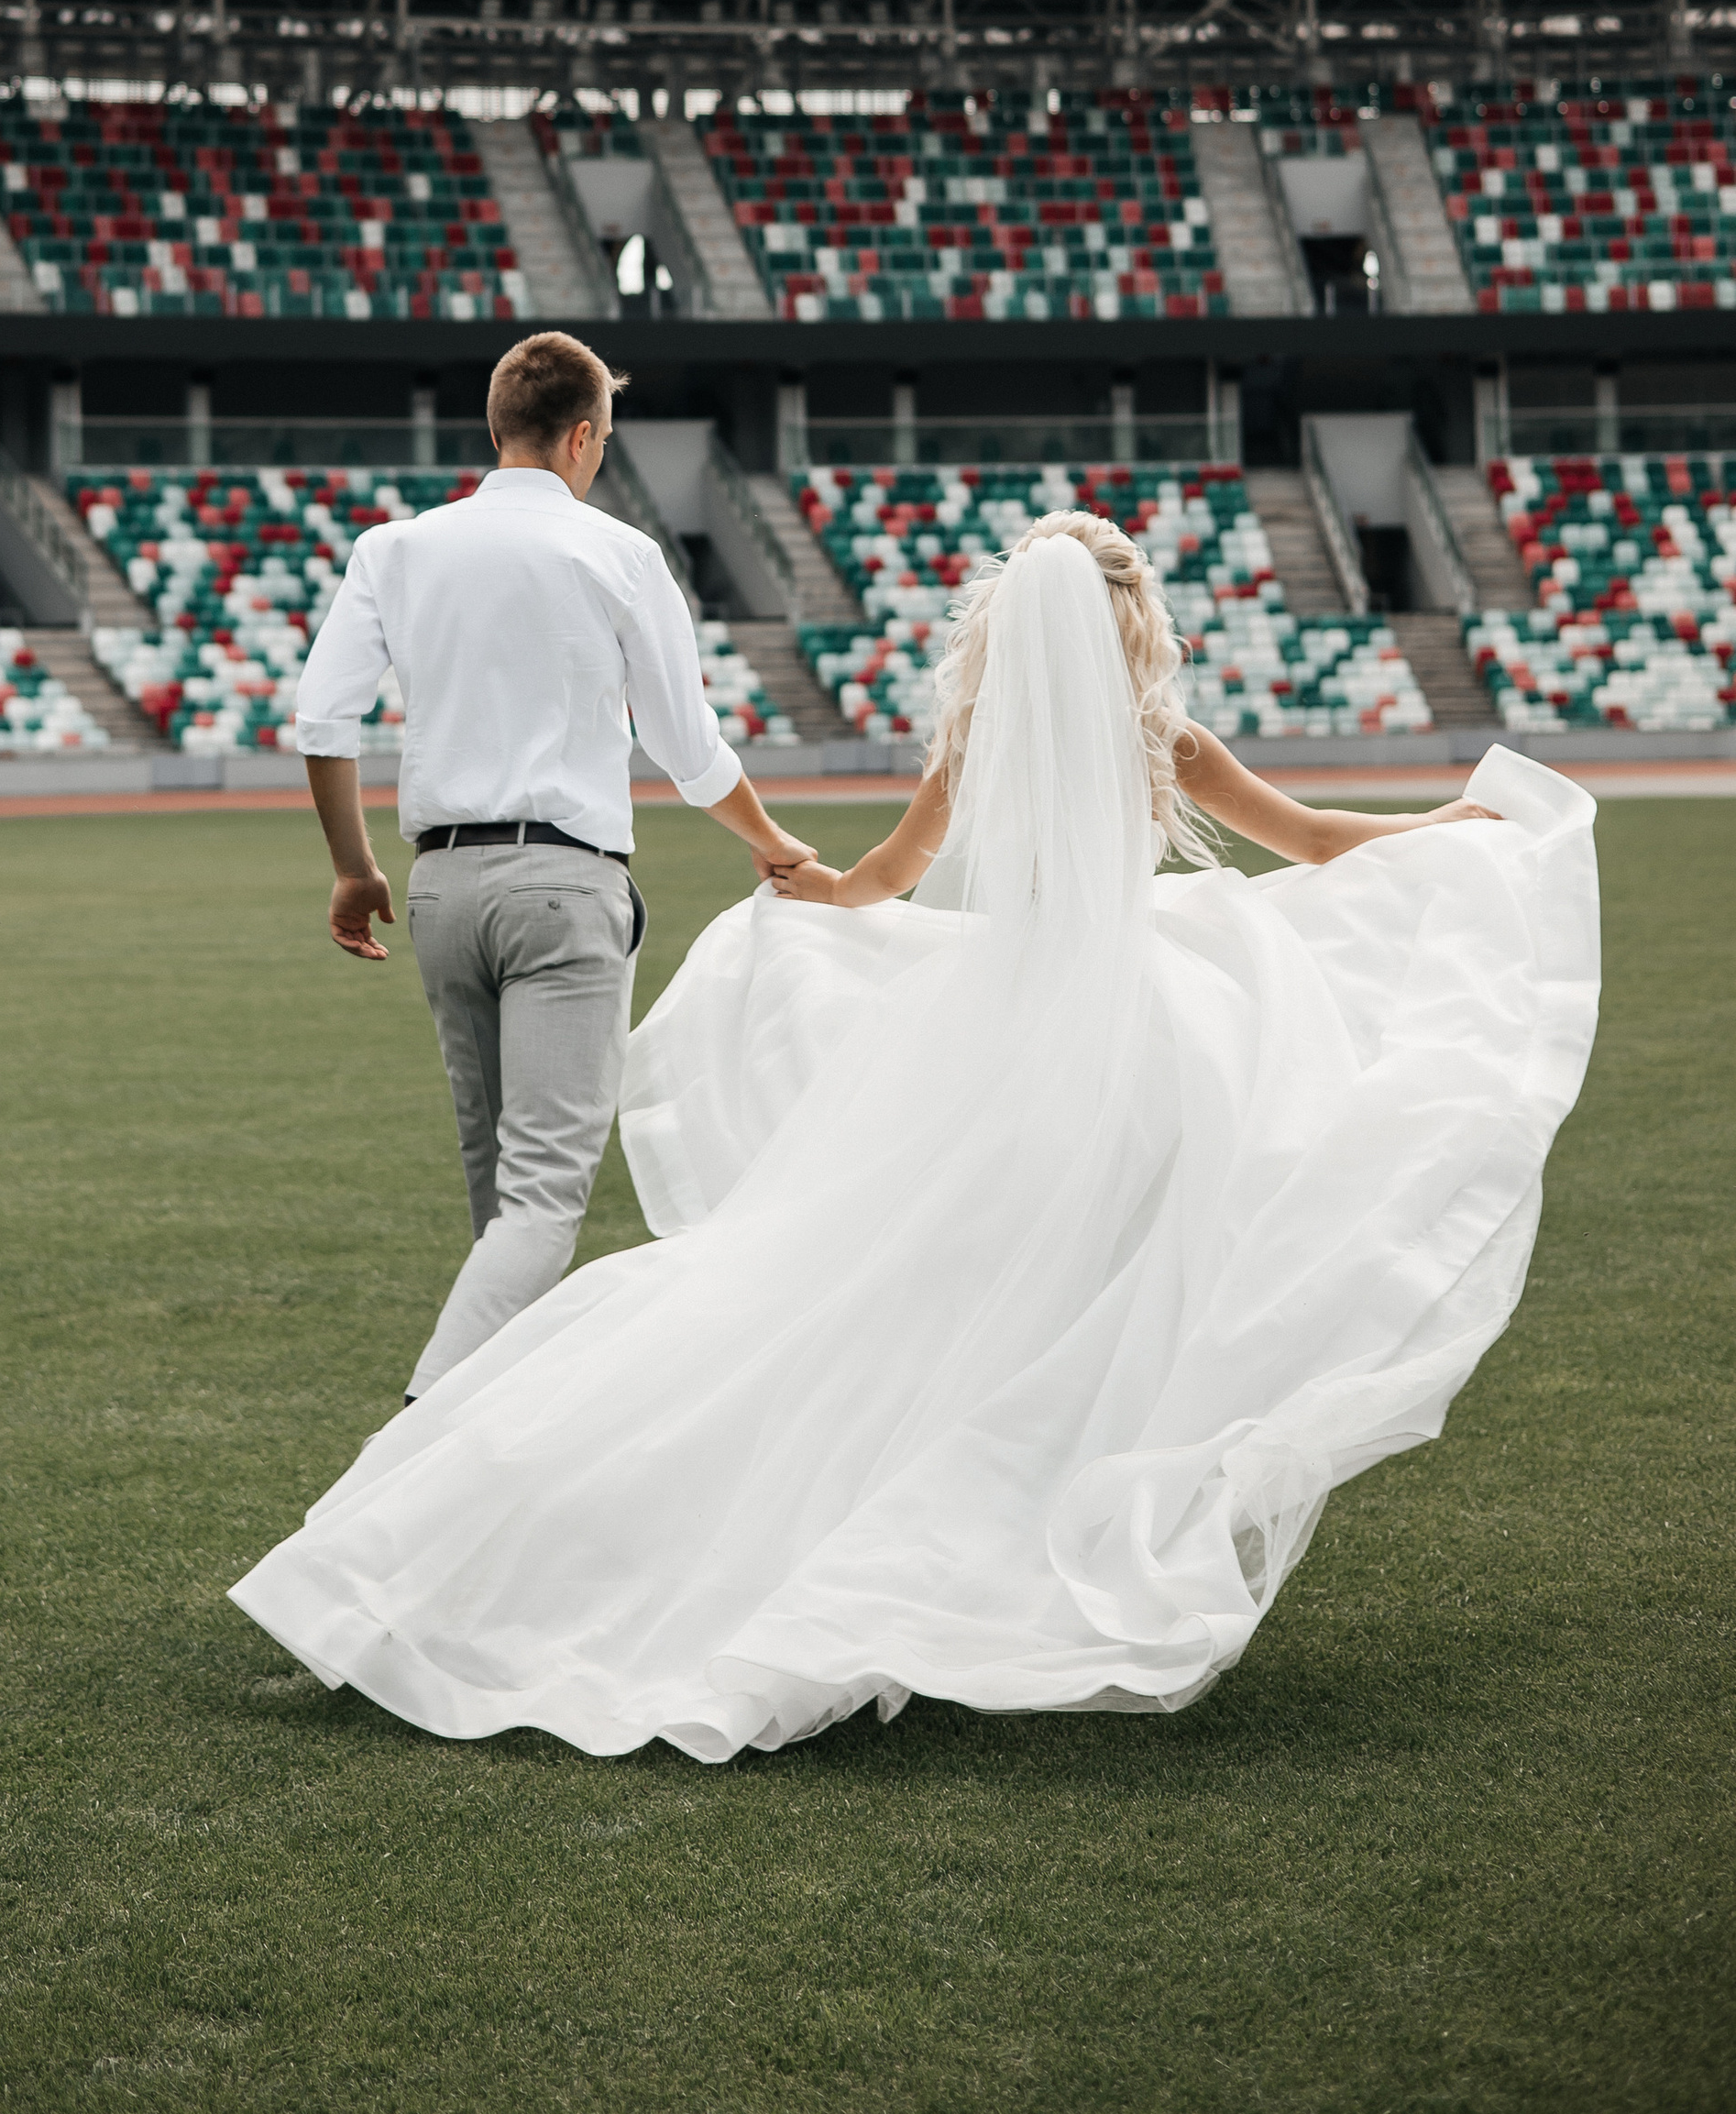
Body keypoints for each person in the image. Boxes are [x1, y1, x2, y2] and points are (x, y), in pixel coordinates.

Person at [234, 508, 1600, 1760]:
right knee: (1144, 1262)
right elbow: (1310, 840)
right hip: (1142, 1028)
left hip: (995, 1023)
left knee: (907, 1284)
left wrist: (798, 888)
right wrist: (1444, 828)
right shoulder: (1158, 744)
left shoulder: (979, 745)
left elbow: (881, 882)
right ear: (1130, 622)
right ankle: (1025, 1501)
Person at [291, 327, 815, 1404]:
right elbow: (684, 747)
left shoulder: (393, 549)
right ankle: (421, 1424)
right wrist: (771, 842)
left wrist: (352, 870)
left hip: (439, 886)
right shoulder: (618, 554)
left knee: (498, 1197)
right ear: (583, 436)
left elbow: (322, 720)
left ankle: (481, 1449)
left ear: (496, 430)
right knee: (541, 1202)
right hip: (564, 886)